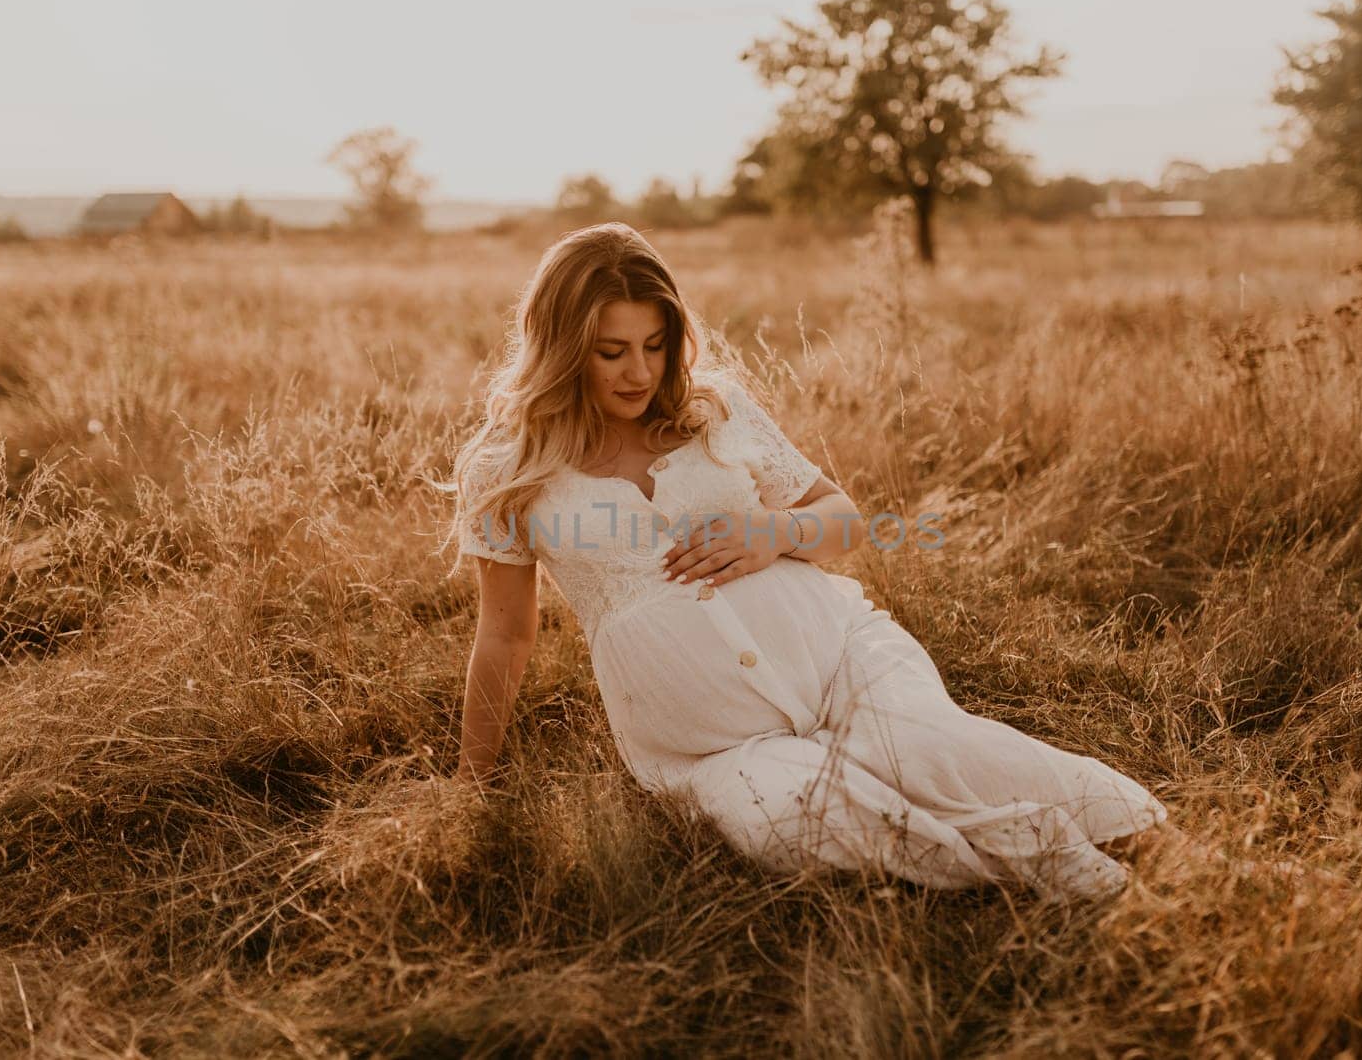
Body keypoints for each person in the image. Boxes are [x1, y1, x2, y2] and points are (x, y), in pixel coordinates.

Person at [443, 222, 1169, 903]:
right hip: (709, 746)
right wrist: (475, 788)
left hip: (840, 657)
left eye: (656, 345)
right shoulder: (509, 469)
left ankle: (1152, 843)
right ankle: (1035, 851)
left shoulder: (715, 408)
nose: (639, 371)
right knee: (796, 822)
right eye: (611, 352)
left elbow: (845, 521)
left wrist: (773, 532)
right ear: (563, 347)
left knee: (936, 753)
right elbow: (506, 635)